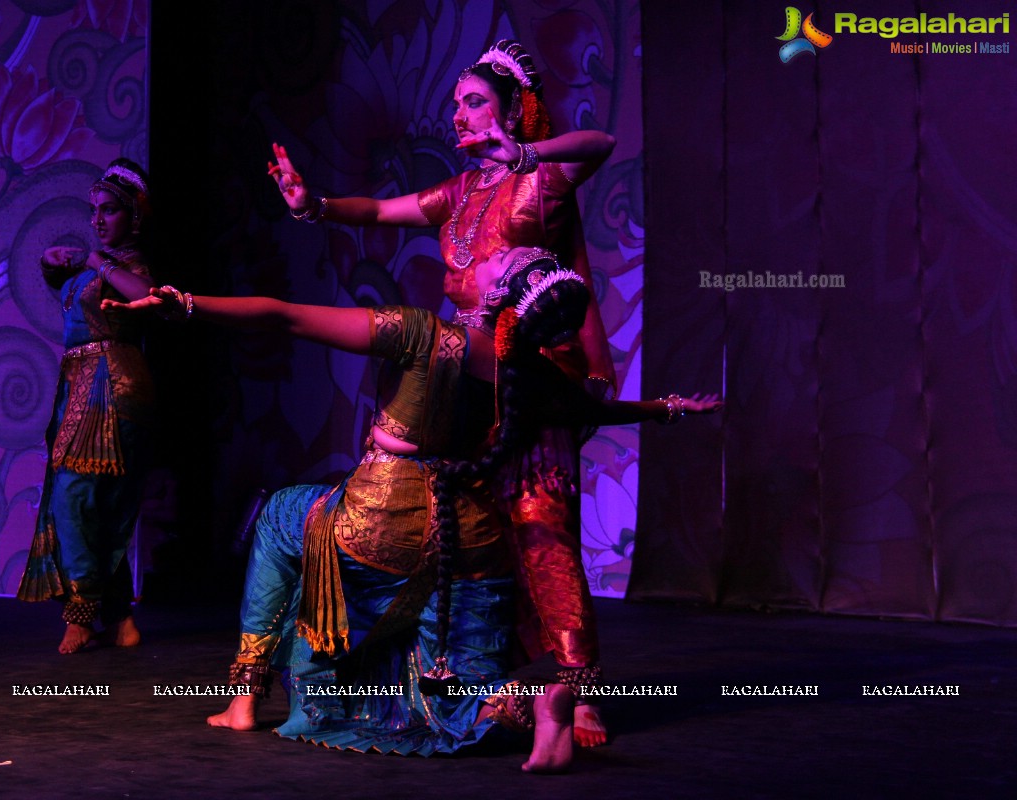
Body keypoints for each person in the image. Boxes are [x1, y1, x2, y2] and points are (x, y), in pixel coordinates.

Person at [105, 246, 720, 772]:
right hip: (471, 543)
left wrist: (184, 303)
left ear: (496, 291)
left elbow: (284, 317)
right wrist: (669, 408)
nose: (483, 253)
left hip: (382, 522)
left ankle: (242, 700)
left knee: (278, 514)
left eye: (497, 258)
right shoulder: (527, 371)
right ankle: (530, 704)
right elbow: (593, 410)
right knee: (456, 689)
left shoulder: (423, 333)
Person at [269, 40, 625, 745]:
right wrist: (314, 206)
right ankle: (476, 681)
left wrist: (528, 153)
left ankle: (579, 690)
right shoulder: (456, 195)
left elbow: (603, 141)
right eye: (455, 104)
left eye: (473, 103)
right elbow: (373, 213)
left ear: (511, 111)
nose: (458, 115)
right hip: (462, 382)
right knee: (463, 535)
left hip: (530, 383)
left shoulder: (543, 180)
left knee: (539, 529)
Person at [17, 158, 156, 655]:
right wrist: (53, 265)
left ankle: (80, 614)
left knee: (80, 499)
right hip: (77, 386)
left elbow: (147, 296)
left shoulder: (134, 265)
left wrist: (98, 263)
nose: (98, 220)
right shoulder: (100, 264)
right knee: (92, 505)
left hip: (112, 387)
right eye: (94, 210)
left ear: (133, 217)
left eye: (110, 211)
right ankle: (118, 614)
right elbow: (76, 295)